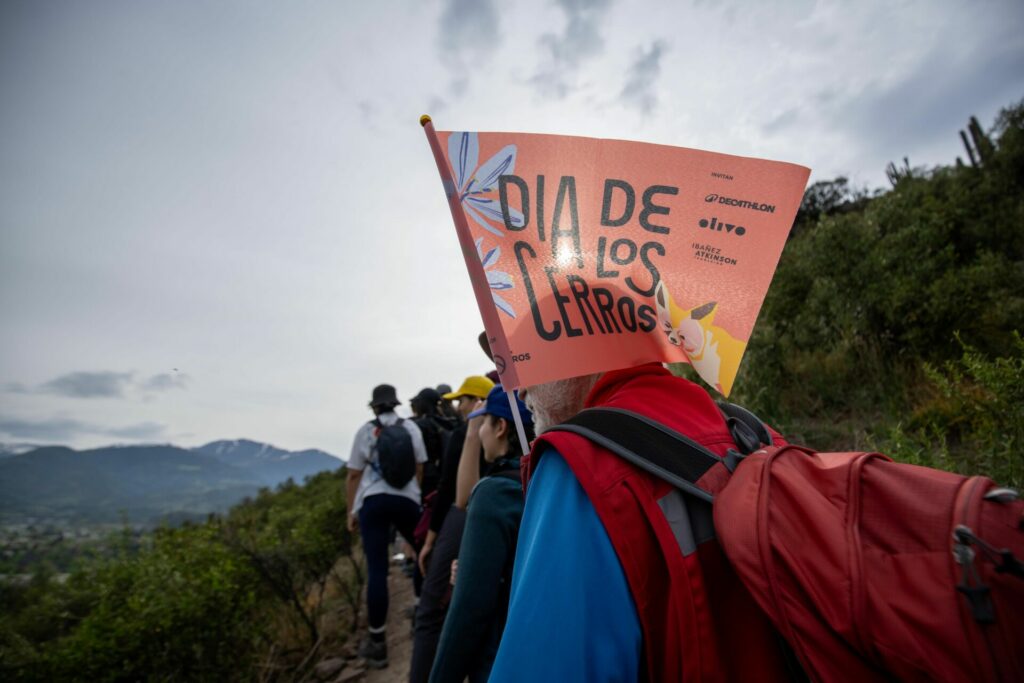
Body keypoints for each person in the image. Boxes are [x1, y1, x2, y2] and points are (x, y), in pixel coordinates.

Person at [488, 363, 792, 682]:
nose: (519, 389)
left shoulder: (577, 467)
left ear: (576, 344)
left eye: (526, 360)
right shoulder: (753, 433)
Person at [429, 386, 534, 683]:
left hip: (501, 660)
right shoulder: (549, 479)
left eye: (485, 422)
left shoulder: (495, 493)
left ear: (500, 427)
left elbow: (468, 611)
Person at [408, 374, 494, 683]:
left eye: (463, 400)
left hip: (461, 521)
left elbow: (450, 493)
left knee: (431, 611)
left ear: (477, 402)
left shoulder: (465, 434)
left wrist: (430, 539)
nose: (459, 407)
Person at [347, 383, 428, 670]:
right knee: (421, 554)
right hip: (406, 499)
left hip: (373, 501)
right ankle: (422, 614)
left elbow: (354, 474)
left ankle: (378, 644)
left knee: (377, 569)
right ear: (395, 403)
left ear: (374, 406)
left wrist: (351, 511)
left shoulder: (365, 431)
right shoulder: (411, 428)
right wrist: (413, 495)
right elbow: (419, 466)